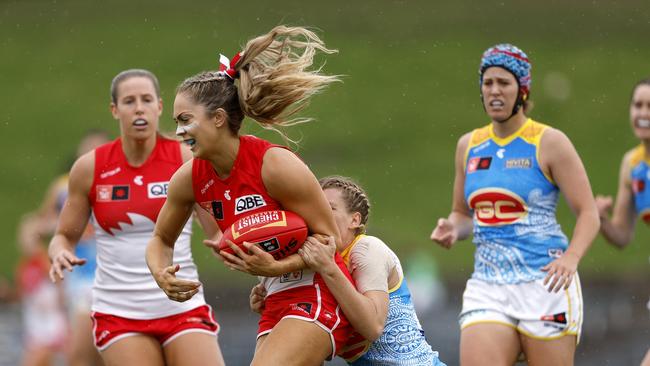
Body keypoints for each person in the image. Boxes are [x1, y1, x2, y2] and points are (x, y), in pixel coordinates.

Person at [145, 25, 354, 366]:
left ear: (217, 119)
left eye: (186, 120)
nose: (179, 131)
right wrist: (159, 271)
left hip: (320, 290)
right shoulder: (189, 179)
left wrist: (278, 266)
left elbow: (329, 239)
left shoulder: (274, 165)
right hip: (274, 298)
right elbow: (160, 239)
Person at [430, 44, 599, 365]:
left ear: (522, 90)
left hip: (546, 282)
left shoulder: (549, 142)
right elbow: (463, 214)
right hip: (489, 284)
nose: (494, 90)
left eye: (504, 83)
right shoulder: (469, 145)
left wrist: (571, 258)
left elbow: (589, 214)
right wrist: (452, 227)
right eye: (488, 82)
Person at [48, 69, 225, 366]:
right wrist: (59, 252)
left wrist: (230, 245)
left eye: (146, 100)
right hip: (120, 312)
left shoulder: (186, 159)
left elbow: (216, 231)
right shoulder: (90, 167)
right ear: (115, 110)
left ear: (159, 107)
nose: (139, 108)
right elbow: (64, 236)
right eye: (129, 101)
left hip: (182, 304)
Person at [260, 175, 446, 365]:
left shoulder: (366, 249)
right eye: (315, 208)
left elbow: (373, 327)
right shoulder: (319, 264)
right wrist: (273, 302)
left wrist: (329, 268)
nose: (319, 214)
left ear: (354, 220)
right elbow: (314, 343)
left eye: (330, 208)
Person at [31, 129, 110, 366]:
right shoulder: (64, 187)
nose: (91, 157)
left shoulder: (121, 183)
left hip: (113, 275)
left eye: (98, 151)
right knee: (81, 351)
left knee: (107, 351)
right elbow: (36, 228)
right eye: (86, 152)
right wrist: (50, 264)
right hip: (81, 278)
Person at [594, 78, 650, 366]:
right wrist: (599, 218)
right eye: (638, 104)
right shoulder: (632, 165)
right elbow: (622, 236)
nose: (643, 112)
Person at [16, 213, 68, 366]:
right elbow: (23, 294)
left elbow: (60, 283)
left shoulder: (43, 259)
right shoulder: (24, 264)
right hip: (34, 323)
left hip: (50, 323)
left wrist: (62, 306)